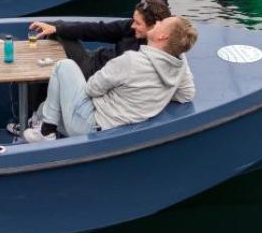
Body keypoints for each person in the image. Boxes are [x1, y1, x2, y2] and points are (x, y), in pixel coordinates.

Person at [22, 16, 196, 142]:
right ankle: (45, 123)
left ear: (162, 37)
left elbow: (91, 89)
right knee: (46, 107)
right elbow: (186, 94)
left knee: (64, 66)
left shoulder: (131, 61)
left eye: (162, 23)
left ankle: (46, 133)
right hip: (115, 126)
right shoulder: (179, 65)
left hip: (90, 126)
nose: (157, 22)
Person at [28, 0, 172, 80]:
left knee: (58, 34)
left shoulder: (152, 56)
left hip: (94, 74)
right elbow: (98, 30)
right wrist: (57, 27)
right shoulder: (130, 28)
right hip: (94, 58)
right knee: (57, 28)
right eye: (133, 20)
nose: (133, 25)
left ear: (155, 26)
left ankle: (35, 115)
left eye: (138, 23)